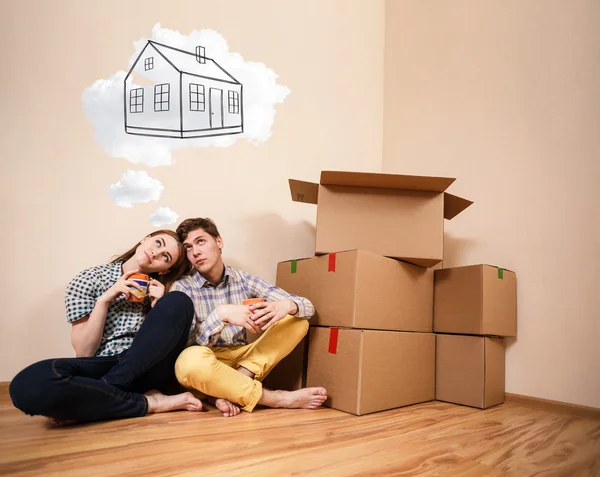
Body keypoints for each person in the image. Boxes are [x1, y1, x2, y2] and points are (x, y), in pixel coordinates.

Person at [9, 229, 207, 425]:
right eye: (158, 243)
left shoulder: (164, 288)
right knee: (27, 383)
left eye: (165, 257)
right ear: (145, 239)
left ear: (164, 270)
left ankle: (100, 393)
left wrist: (158, 306)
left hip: (148, 369)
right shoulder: (90, 279)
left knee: (178, 301)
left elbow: (159, 347)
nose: (156, 253)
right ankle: (149, 402)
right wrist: (105, 300)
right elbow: (84, 352)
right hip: (105, 363)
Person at [172, 217, 327, 417]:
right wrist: (221, 315)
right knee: (188, 363)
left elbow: (307, 307)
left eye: (201, 241)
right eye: (188, 247)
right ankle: (276, 399)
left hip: (244, 360)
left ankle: (232, 385)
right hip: (207, 360)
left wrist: (286, 305)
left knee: (297, 321)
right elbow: (186, 344)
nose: (195, 252)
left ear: (219, 242)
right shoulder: (182, 287)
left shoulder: (243, 280)